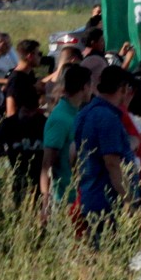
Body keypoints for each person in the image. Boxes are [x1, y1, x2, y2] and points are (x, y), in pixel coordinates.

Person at [73, 65, 136, 241]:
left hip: (89, 195)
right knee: (110, 253)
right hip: (107, 202)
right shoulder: (107, 117)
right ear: (123, 88)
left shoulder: (85, 112)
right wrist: (129, 200)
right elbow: (112, 163)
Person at [40, 64, 91, 215]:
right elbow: (47, 164)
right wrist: (45, 203)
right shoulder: (61, 118)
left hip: (78, 197)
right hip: (63, 200)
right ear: (85, 87)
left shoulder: (76, 113)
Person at [1, 39, 46, 198]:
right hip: (21, 139)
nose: (40, 57)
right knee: (22, 180)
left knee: (35, 180)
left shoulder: (28, 76)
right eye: (38, 53)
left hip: (32, 137)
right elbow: (11, 109)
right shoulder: (17, 79)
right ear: (29, 56)